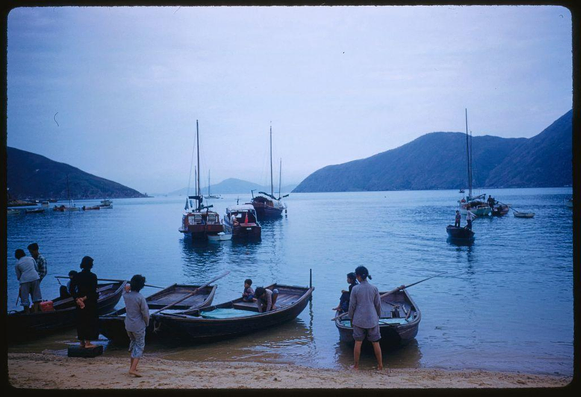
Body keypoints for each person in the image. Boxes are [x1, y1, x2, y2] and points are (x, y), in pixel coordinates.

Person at [348, 266, 383, 371]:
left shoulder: (355, 289)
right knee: (376, 342)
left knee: (358, 342)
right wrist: (378, 316)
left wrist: (351, 317)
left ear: (358, 276)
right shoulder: (374, 288)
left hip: (359, 320)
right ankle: (380, 365)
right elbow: (378, 305)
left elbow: (352, 306)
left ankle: (356, 366)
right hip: (372, 319)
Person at [69, 256, 99, 348]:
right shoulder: (93, 276)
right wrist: (83, 299)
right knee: (89, 320)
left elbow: (71, 289)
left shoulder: (77, 276)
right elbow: (93, 291)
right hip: (89, 302)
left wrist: (77, 299)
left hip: (78, 302)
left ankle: (81, 342)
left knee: (80, 321)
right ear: (91, 265)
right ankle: (88, 342)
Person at [123, 274, 150, 377]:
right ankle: (133, 369)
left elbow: (124, 288)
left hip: (128, 325)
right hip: (138, 326)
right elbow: (145, 313)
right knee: (139, 346)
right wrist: (147, 323)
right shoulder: (140, 298)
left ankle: (132, 367)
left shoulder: (126, 295)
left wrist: (128, 287)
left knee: (134, 344)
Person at [14, 249, 42, 314]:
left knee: (24, 298)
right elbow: (36, 268)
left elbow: (18, 276)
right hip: (35, 278)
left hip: (24, 280)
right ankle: (36, 311)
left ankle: (27, 312)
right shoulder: (31, 258)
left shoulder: (17, 264)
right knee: (36, 296)